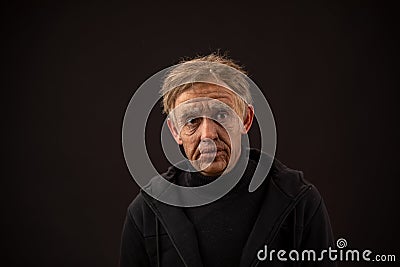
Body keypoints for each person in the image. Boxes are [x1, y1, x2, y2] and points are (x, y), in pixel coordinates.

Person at [119, 53, 336, 267]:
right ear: (175, 131)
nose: (208, 135)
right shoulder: (146, 212)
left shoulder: (298, 200)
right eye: (192, 120)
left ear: (246, 120)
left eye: (221, 115)